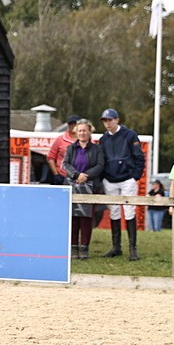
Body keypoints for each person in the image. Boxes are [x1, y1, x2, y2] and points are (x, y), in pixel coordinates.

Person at [98, 108, 146, 260]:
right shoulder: (103, 139)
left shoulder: (130, 135)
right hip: (110, 180)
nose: (108, 123)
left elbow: (139, 157)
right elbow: (101, 159)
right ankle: (116, 247)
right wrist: (103, 178)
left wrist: (135, 177)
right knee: (114, 212)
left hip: (127, 179)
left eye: (110, 120)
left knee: (129, 211)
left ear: (117, 120)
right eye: (105, 121)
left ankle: (133, 248)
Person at [62, 119, 104, 260]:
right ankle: (73, 247)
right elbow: (65, 164)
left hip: (90, 186)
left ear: (89, 131)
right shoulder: (71, 148)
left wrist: (86, 175)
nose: (82, 133)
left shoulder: (97, 149)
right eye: (79, 130)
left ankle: (84, 247)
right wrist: (76, 175)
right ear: (76, 132)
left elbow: (100, 165)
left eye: (84, 130)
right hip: (72, 185)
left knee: (86, 219)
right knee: (73, 218)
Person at [46, 115, 80, 185]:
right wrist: (56, 174)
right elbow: (50, 157)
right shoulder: (60, 139)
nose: (73, 126)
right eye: (71, 124)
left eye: (75, 124)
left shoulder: (85, 140)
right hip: (62, 176)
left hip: (79, 177)